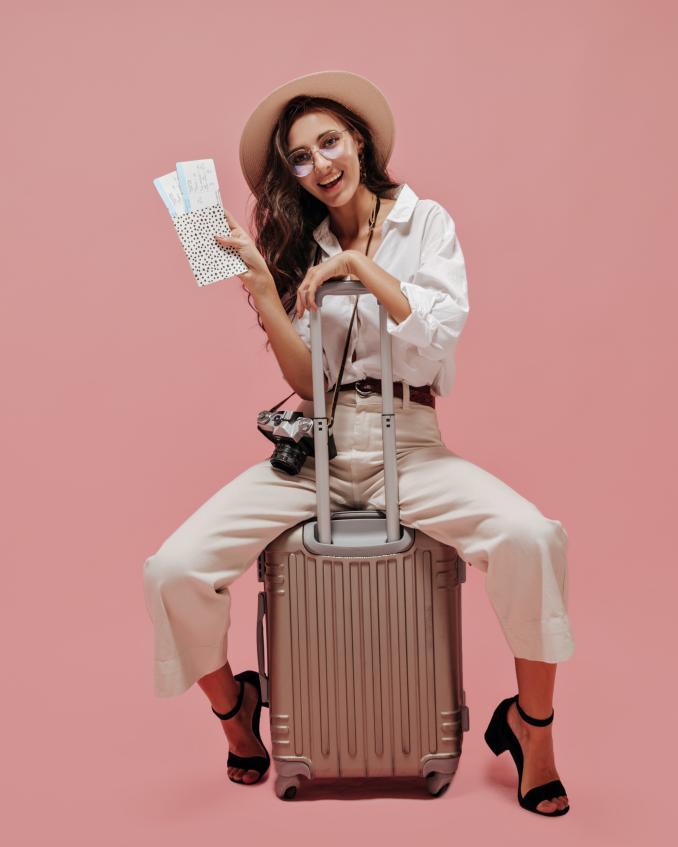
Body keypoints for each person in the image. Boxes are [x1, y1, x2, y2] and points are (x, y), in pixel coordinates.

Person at [142, 70, 575, 816]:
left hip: (409, 443)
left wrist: (359, 268)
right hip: (323, 447)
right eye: (300, 157)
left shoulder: (424, 222)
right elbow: (308, 383)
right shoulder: (302, 244)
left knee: (531, 538)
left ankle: (531, 730)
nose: (320, 164)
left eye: (329, 142)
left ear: (361, 142)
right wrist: (264, 288)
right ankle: (236, 710)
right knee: (173, 569)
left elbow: (437, 335)